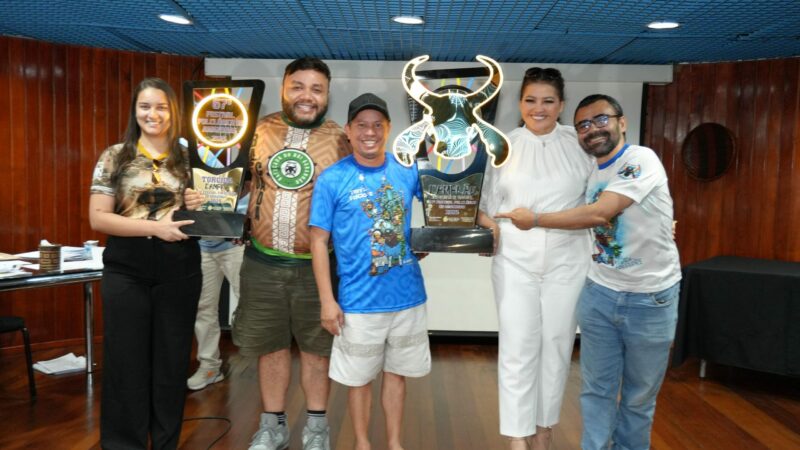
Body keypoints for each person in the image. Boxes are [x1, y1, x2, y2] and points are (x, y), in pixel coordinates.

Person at [495, 94, 681, 450]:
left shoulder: (641, 159)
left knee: (638, 399)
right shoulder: (591, 169)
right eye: (584, 125)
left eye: (601, 120)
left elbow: (599, 214)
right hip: (600, 293)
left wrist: (533, 219)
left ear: (621, 122)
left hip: (650, 299)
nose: (592, 130)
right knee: (596, 391)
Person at [232, 57, 350, 450]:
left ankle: (317, 429)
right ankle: (272, 426)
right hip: (262, 262)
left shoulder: (340, 139)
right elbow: (239, 184)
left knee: (318, 349)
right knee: (270, 346)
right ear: (284, 88)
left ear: (327, 95)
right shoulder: (259, 130)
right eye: (298, 86)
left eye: (316, 89)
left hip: (316, 268)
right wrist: (213, 200)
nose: (307, 96)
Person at [476, 67, 593, 450]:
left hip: (569, 259)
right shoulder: (503, 145)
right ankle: (517, 437)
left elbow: (600, 201)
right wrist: (487, 226)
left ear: (561, 105)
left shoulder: (580, 145)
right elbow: (483, 206)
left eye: (547, 101)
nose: (538, 108)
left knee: (558, 344)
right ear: (520, 102)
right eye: (530, 100)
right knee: (517, 346)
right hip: (514, 260)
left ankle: (544, 431)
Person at [309, 93, 430, 450]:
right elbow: (318, 242)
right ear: (348, 131)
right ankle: (362, 443)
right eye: (361, 125)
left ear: (389, 129)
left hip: (408, 299)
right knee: (358, 380)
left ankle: (394, 444)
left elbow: (444, 204)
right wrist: (327, 302)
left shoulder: (407, 169)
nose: (370, 132)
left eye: (378, 125)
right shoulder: (332, 179)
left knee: (397, 376)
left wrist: (434, 238)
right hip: (358, 304)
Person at [89, 77, 204, 449]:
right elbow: (99, 219)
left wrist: (201, 205)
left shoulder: (193, 158)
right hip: (127, 269)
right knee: (126, 364)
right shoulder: (115, 156)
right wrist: (155, 227)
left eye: (161, 106)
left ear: (174, 112)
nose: (152, 114)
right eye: (144, 106)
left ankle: (166, 442)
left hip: (180, 269)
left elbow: (206, 216)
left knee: (172, 366)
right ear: (134, 111)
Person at [187, 192, 249, 390]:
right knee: (203, 308)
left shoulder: (244, 162)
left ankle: (270, 368)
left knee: (251, 304)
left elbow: (252, 191)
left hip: (235, 244)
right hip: (202, 245)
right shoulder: (194, 164)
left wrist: (244, 225)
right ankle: (209, 367)